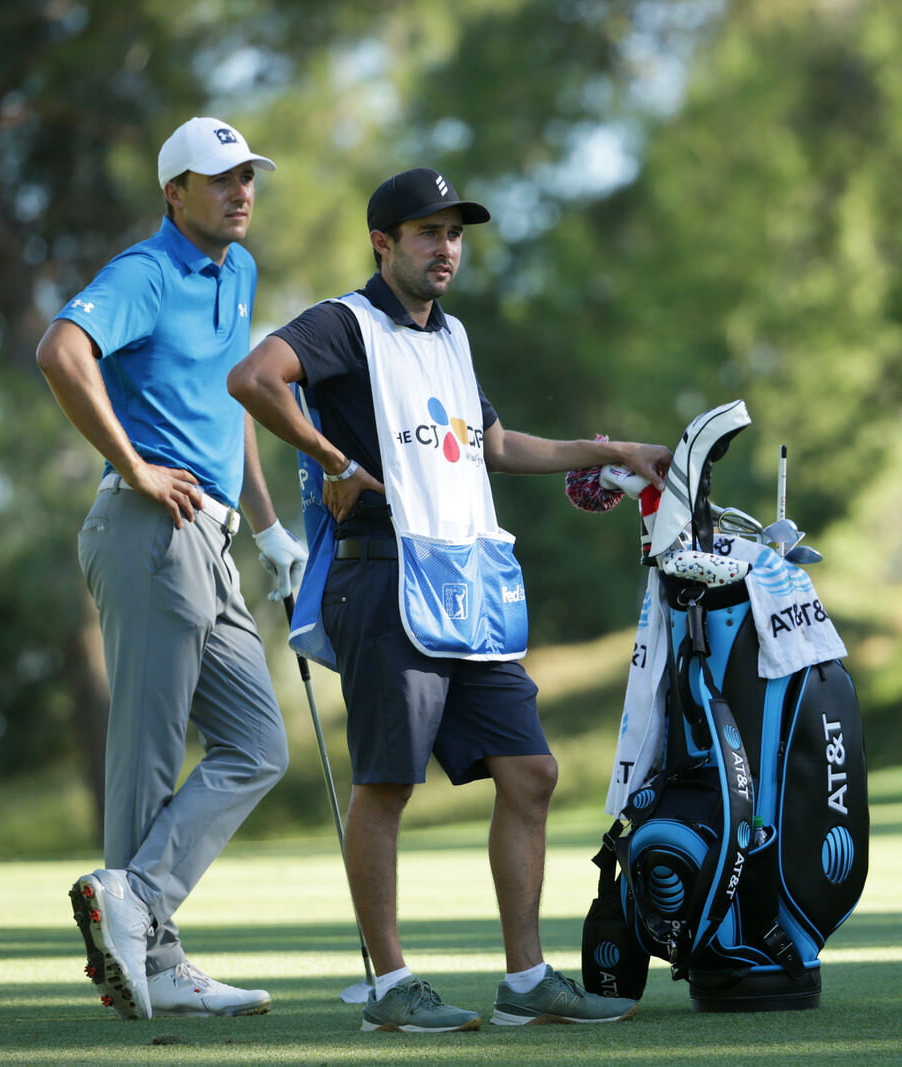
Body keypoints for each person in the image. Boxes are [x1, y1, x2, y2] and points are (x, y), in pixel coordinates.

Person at [227, 167, 671, 1033]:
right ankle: (392, 986)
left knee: (531, 770)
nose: (446, 248)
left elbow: (495, 442)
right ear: (382, 242)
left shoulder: (454, 339)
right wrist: (334, 460)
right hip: (384, 577)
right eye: (427, 232)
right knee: (388, 782)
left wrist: (605, 449)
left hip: (465, 586)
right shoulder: (342, 324)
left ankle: (527, 978)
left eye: (456, 233)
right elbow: (254, 379)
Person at [35, 117, 309, 1021]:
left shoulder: (240, 273)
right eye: (219, 177)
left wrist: (270, 528)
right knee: (147, 757)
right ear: (173, 193)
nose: (240, 191)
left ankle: (139, 909)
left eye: (247, 177)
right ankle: (150, 951)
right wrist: (137, 464)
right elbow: (60, 352)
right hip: (151, 526)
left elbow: (234, 401)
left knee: (258, 745)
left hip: (215, 540)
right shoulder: (147, 273)